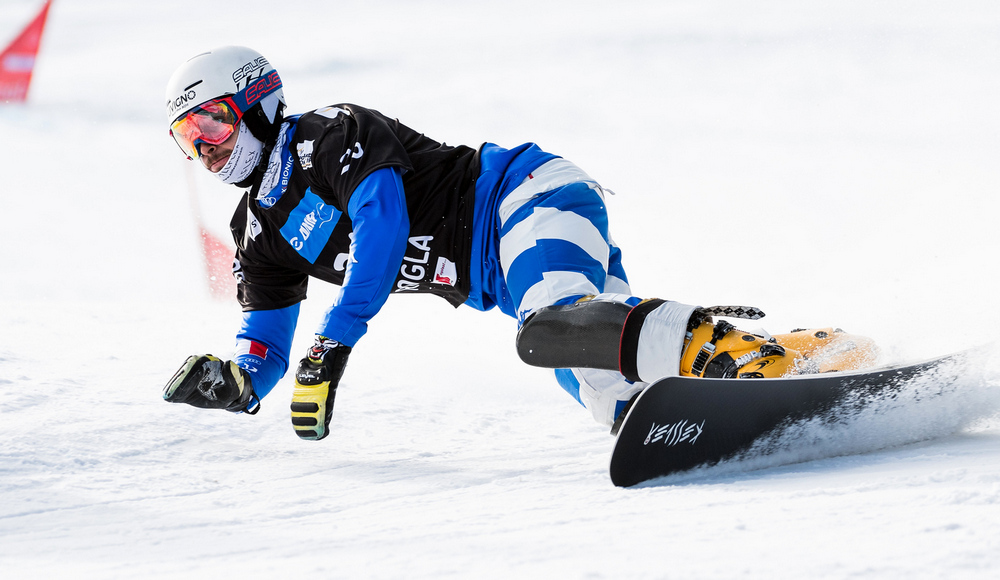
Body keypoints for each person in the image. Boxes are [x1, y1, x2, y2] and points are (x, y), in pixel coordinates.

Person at [162, 46, 878, 439]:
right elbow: (265, 345)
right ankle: (813, 353)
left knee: (553, 330)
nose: (209, 151)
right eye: (190, 142)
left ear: (258, 103)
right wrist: (236, 383)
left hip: (525, 197)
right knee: (622, 405)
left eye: (215, 126)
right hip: (506, 286)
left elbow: (380, 224)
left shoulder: (327, 133)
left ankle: (744, 356)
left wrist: (338, 337)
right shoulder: (255, 235)